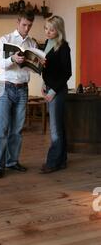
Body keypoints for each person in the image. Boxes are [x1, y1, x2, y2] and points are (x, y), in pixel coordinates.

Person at [0, 11, 37, 178]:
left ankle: (12, 161)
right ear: (18, 22)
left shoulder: (32, 43)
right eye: (24, 24)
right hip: (5, 86)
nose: (27, 28)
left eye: (30, 25)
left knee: (17, 129)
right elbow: (0, 64)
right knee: (2, 128)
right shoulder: (5, 40)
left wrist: (39, 64)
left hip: (23, 88)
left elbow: (33, 67)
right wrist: (12, 59)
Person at [40, 15, 72, 173]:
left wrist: (52, 91)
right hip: (49, 88)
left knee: (55, 129)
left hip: (57, 91)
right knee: (59, 126)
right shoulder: (47, 43)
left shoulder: (64, 46)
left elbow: (67, 73)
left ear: (58, 30)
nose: (48, 32)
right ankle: (62, 160)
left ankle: (52, 162)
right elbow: (48, 69)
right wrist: (43, 83)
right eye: (46, 28)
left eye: (51, 29)